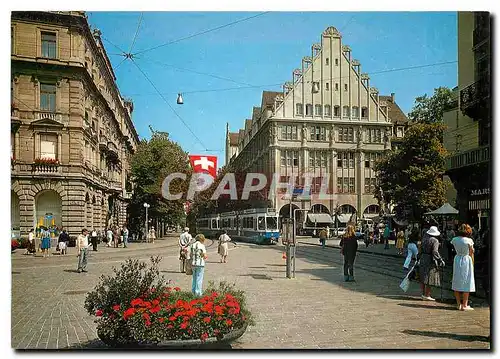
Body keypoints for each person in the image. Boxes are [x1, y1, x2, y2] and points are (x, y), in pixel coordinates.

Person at [451, 224, 475, 311]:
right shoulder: (469, 240)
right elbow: (471, 252)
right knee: (467, 281)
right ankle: (465, 304)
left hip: (457, 259)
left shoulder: (454, 239)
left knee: (456, 280)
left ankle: (458, 304)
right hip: (466, 260)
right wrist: (472, 262)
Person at [418, 226, 445, 301]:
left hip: (423, 257)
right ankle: (427, 294)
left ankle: (423, 294)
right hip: (430, 259)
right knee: (430, 277)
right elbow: (435, 252)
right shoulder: (435, 241)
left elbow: (419, 249)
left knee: (423, 277)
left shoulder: (424, 239)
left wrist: (418, 257)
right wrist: (440, 260)